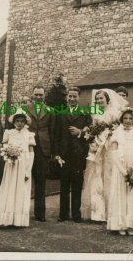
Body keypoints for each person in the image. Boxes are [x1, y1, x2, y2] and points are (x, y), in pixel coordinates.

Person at [81, 89, 128, 222]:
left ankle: (110, 213)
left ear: (107, 99)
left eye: (101, 98)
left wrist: (109, 133)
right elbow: (93, 128)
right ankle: (97, 213)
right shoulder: (95, 112)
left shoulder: (115, 112)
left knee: (108, 175)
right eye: (97, 99)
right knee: (96, 174)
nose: (99, 101)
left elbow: (119, 129)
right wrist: (92, 135)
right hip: (97, 147)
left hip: (109, 147)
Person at [0, 109, 35, 227]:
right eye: (17, 121)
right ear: (14, 122)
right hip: (11, 165)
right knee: (8, 188)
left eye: (22, 121)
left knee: (21, 190)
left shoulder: (29, 135)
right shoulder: (9, 133)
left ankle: (19, 220)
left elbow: (31, 154)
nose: (19, 123)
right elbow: (4, 148)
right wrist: (8, 153)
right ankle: (7, 218)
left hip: (23, 165)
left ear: (25, 122)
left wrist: (27, 170)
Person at [54, 87, 92, 223]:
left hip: (78, 153)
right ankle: (63, 214)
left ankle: (76, 214)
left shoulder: (85, 113)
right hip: (64, 154)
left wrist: (80, 131)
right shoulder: (61, 113)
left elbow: (90, 132)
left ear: (79, 98)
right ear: (67, 97)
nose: (71, 99)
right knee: (64, 185)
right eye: (70, 96)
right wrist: (57, 153)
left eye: (74, 96)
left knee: (77, 185)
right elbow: (57, 134)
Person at [27, 86, 55, 222]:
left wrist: (52, 151)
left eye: (41, 95)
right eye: (36, 94)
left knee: (40, 182)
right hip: (27, 147)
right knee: (23, 180)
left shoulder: (50, 110)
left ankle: (40, 214)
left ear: (44, 96)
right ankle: (21, 212)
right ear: (32, 95)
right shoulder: (25, 108)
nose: (38, 97)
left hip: (43, 149)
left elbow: (52, 131)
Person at [107, 108, 133, 236]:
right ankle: (121, 224)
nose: (128, 121)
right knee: (120, 195)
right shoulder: (117, 133)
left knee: (132, 198)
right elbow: (113, 154)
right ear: (121, 119)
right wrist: (123, 171)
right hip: (121, 170)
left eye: (130, 118)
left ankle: (132, 224)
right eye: (125, 118)